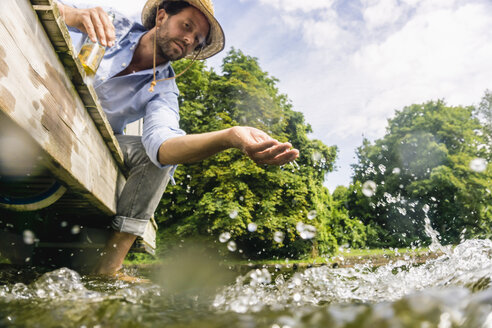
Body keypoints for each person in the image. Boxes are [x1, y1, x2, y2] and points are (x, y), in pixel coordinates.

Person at [57, 0, 299, 277]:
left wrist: (231, 136)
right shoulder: (111, 22)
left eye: (197, 40)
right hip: (44, 94)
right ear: (161, 16)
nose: (189, 40)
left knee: (156, 160)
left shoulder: (165, 91)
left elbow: (163, 146)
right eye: (187, 26)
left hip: (97, 141)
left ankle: (107, 268)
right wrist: (72, 15)